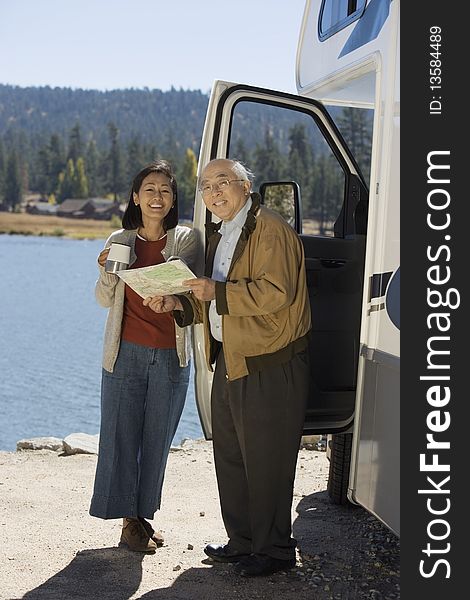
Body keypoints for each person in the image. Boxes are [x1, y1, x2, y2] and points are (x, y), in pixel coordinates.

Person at [144, 158, 311, 576]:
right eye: (206, 186)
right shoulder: (222, 234)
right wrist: (177, 304)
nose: (214, 192)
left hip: (268, 362)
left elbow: (276, 293)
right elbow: (216, 301)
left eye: (223, 182)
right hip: (231, 359)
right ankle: (243, 542)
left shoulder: (269, 228)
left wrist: (214, 290)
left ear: (246, 186)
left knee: (267, 461)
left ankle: (273, 551)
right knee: (234, 457)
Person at [89, 159, 198, 553]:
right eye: (149, 189)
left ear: (173, 201)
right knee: (121, 436)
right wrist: (106, 270)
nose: (157, 196)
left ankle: (142, 515)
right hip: (124, 353)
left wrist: (171, 297)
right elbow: (104, 299)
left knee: (156, 438)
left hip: (171, 354)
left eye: (165, 191)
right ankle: (128, 522)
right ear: (136, 197)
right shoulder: (119, 238)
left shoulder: (186, 240)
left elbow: (190, 290)